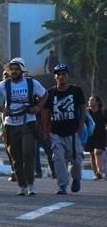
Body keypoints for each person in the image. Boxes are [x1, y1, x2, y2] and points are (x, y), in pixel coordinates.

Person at [0, 57, 47, 196]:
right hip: (11, 123)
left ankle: (31, 185)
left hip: (28, 121)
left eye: (16, 69)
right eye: (11, 69)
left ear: (22, 70)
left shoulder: (32, 83)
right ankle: (22, 185)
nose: (13, 71)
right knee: (15, 157)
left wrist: (38, 107)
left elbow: (45, 95)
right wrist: (3, 109)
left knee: (28, 153)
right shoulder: (4, 84)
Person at [42, 64, 86, 195]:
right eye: (58, 74)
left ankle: (76, 178)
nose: (61, 77)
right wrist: (45, 131)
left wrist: (80, 128)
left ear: (68, 76)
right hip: (56, 132)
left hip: (73, 132)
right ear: (55, 76)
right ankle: (62, 186)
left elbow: (83, 110)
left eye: (64, 74)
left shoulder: (76, 91)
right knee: (58, 159)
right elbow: (45, 112)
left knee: (77, 158)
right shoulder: (50, 93)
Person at [85, 95, 106, 180]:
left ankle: (99, 171)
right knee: (92, 154)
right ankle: (96, 174)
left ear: (97, 102)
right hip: (90, 136)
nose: (90, 102)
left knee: (97, 152)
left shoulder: (103, 112)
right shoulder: (86, 112)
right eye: (89, 100)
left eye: (92, 100)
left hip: (101, 135)